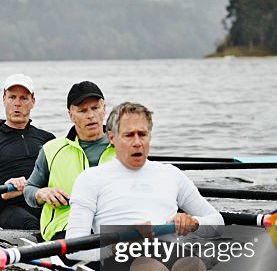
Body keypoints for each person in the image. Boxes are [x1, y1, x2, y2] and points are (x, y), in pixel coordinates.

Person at [64, 101, 224, 260]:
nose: (137, 143)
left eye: (142, 134)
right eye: (129, 135)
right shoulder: (90, 179)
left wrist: (194, 223)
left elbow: (218, 225)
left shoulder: (171, 174)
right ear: (112, 138)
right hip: (120, 266)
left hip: (170, 262)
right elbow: (73, 249)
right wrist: (120, 246)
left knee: (190, 264)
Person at [23, 81, 116, 241]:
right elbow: (29, 189)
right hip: (66, 227)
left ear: (104, 109)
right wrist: (42, 193)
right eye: (82, 111)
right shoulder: (51, 150)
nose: (91, 115)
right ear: (71, 115)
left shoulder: (125, 147)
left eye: (95, 108)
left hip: (115, 226)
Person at [0, 74, 55, 230]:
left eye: (23, 98)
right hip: (8, 209)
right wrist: (3, 193)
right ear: (3, 100)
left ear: (33, 101)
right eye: (12, 97)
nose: (17, 104)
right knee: (31, 224)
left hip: (43, 203)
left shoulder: (47, 139)